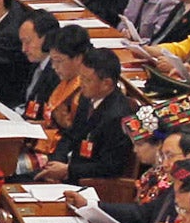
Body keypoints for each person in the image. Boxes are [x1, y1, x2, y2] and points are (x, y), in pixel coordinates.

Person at [37, 49, 135, 182]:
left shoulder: (118, 116)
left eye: (87, 80)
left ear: (107, 83)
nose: (81, 84)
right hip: (67, 169)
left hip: (88, 182)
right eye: (80, 77)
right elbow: (70, 135)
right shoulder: (86, 97)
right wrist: (55, 163)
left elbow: (110, 167)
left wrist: (68, 171)